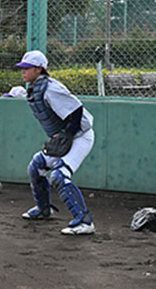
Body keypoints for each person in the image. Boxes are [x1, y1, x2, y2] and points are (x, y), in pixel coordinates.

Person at [16, 50, 96, 235]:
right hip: (67, 136)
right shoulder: (36, 87)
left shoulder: (51, 88)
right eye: (22, 68)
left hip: (81, 136)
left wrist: (67, 135)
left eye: (27, 68)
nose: (23, 71)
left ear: (39, 69)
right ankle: (44, 210)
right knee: (36, 167)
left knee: (59, 175)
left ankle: (85, 222)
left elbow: (77, 110)